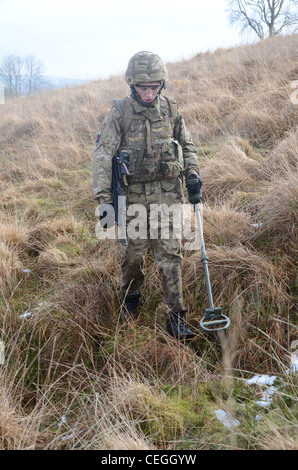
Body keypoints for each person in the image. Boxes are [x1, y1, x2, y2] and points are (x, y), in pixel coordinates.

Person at [93, 51, 202, 339]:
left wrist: (192, 174)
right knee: (132, 257)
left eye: (154, 87)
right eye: (144, 88)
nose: (150, 93)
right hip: (132, 199)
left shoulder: (170, 108)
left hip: (168, 195)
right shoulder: (120, 113)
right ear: (132, 85)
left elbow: (187, 144)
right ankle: (131, 298)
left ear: (161, 85)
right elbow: (103, 156)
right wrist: (104, 201)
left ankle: (176, 317)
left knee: (171, 255)